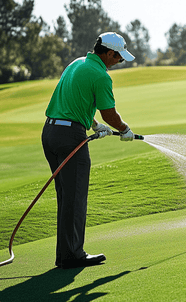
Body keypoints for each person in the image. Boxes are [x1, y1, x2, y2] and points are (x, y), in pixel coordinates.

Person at [41, 32, 137, 269]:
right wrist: (124, 130)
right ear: (109, 53)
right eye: (119, 57)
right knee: (75, 197)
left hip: (50, 133)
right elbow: (110, 113)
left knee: (66, 196)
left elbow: (74, 102)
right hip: (70, 138)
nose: (119, 62)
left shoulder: (77, 64)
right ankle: (73, 255)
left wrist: (93, 125)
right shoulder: (101, 76)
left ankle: (64, 255)